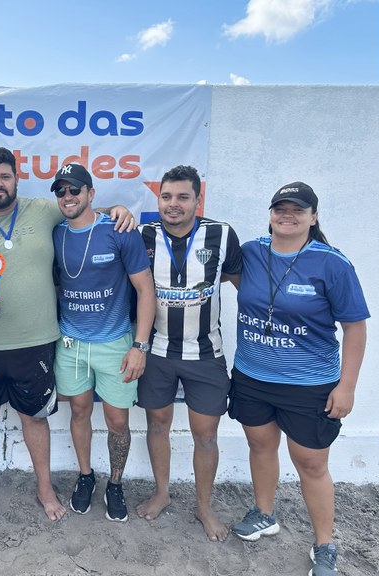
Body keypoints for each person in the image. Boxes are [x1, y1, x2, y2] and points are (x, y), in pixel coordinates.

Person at [0, 147, 134, 521]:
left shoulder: (43, 210)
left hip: (36, 342)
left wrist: (118, 209)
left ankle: (45, 488)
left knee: (34, 418)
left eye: (4, 176)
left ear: (16, 178)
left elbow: (83, 211)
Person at [229, 182, 368, 575]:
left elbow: (355, 328)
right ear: (270, 213)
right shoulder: (252, 252)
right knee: (259, 444)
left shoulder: (332, 263)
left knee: (310, 463)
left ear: (314, 216)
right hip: (253, 375)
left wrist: (347, 386)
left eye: (297, 210)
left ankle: (324, 545)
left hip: (309, 384)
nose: (287, 216)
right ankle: (264, 513)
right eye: (280, 208)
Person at [135, 165, 241, 541]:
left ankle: (204, 506)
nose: (173, 205)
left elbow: (241, 286)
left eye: (183, 197)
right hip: (157, 353)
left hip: (206, 353)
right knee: (157, 425)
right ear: (158, 199)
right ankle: (162, 493)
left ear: (198, 199)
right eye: (166, 197)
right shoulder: (142, 235)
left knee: (206, 435)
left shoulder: (222, 235)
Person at [50, 163, 155, 522]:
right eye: (61, 191)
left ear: (91, 193)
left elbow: (146, 290)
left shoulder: (120, 230)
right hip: (71, 343)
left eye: (75, 190)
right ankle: (85, 475)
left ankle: (115, 483)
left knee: (117, 422)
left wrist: (139, 346)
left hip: (115, 343)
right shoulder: (56, 232)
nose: (68, 196)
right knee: (78, 411)